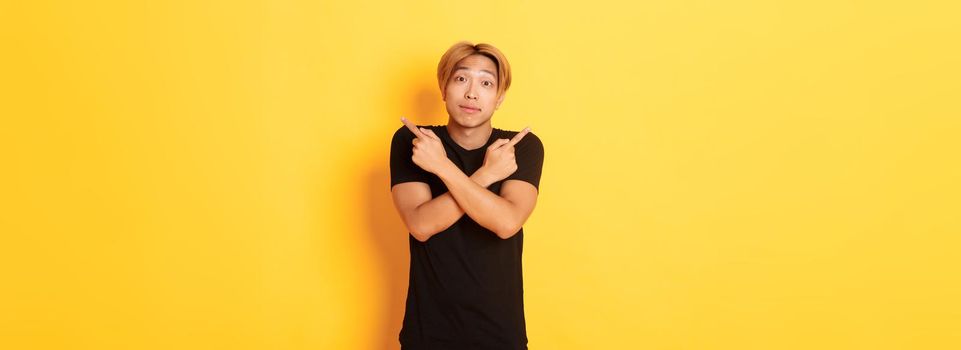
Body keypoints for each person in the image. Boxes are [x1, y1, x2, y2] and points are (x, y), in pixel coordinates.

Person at [389, 41, 544, 349]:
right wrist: (486, 175)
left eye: (486, 83)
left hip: (500, 334)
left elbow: (506, 222)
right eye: (461, 79)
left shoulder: (519, 148)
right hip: (427, 333)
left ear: (499, 98)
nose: (472, 92)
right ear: (444, 88)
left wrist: (441, 167)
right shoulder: (415, 141)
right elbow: (420, 225)